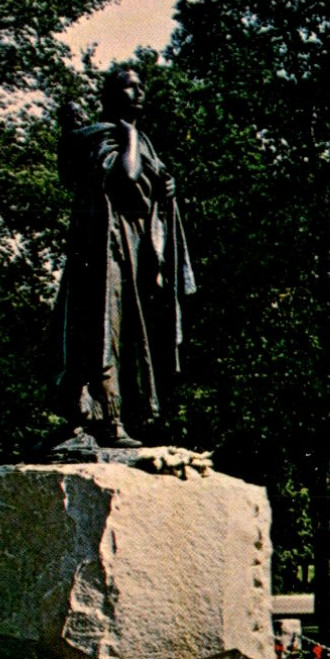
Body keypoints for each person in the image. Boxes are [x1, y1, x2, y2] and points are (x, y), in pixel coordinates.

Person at [52, 69, 195, 448]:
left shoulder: (144, 142)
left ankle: (123, 418)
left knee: (132, 335)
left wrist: (169, 190)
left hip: (137, 249)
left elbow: (152, 191)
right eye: (128, 86)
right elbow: (126, 177)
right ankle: (97, 418)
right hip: (105, 247)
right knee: (101, 329)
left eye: (141, 86)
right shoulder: (103, 136)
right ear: (110, 96)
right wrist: (129, 132)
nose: (139, 91)